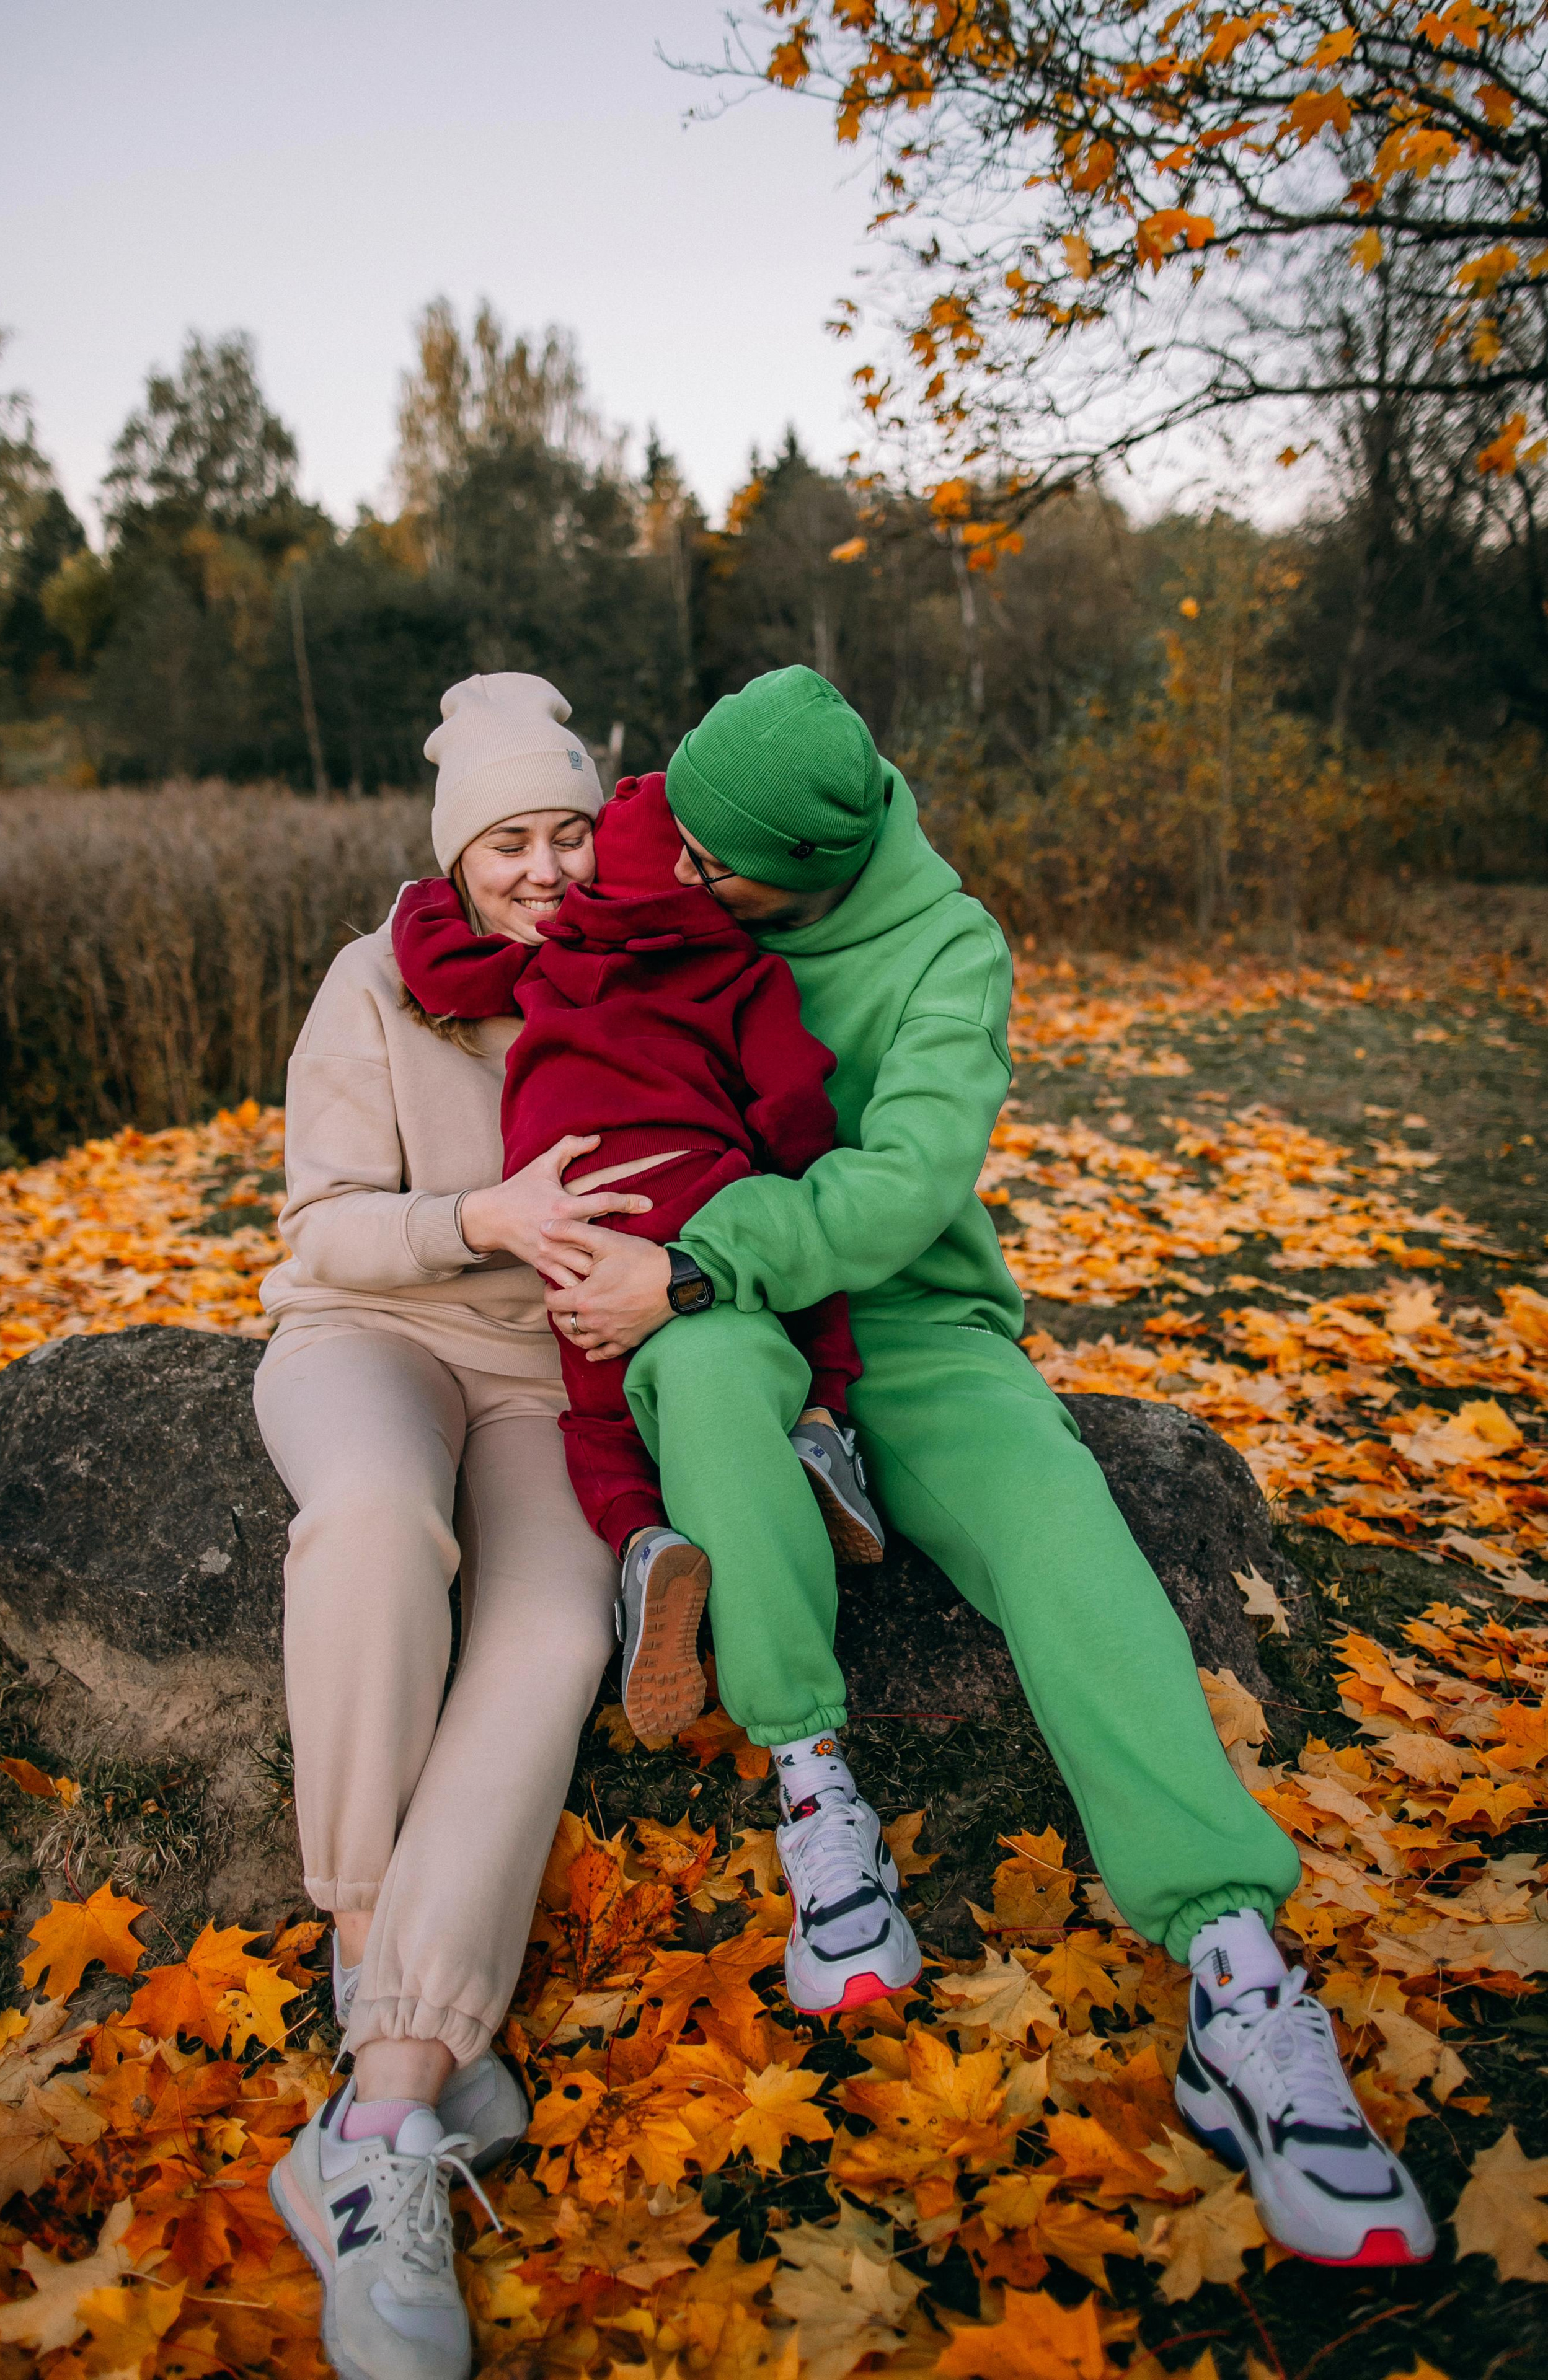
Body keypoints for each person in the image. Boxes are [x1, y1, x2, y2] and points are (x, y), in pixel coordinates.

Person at [538, 663, 1437, 2270]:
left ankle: (1235, 1966)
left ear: (807, 870)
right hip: (721, 1313)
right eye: (672, 831)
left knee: (1063, 1531)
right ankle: (821, 1802)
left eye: (717, 867)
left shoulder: (949, 951)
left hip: (906, 1323)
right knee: (705, 1376)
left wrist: (698, 1253)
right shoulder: (674, 853)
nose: (679, 870)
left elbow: (903, 1185)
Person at [255, 674, 658, 2380]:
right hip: (371, 1339)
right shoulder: (374, 983)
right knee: (366, 1523)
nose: (548, 868)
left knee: (562, 1635)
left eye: (573, 831)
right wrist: (479, 1212)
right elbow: (324, 1230)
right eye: (512, 840)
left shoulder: (649, 975)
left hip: (549, 1385)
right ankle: (379, 1968)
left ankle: (376, 2119)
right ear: (461, 853)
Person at [389, 767, 887, 1739]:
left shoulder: (552, 959)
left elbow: (444, 972)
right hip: (706, 1199)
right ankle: (821, 1424)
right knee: (794, 1267)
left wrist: (420, 903)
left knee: (598, 1413)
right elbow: (793, 1109)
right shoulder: (744, 970)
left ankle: (642, 1538)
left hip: (577, 1223)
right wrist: (799, 1175)